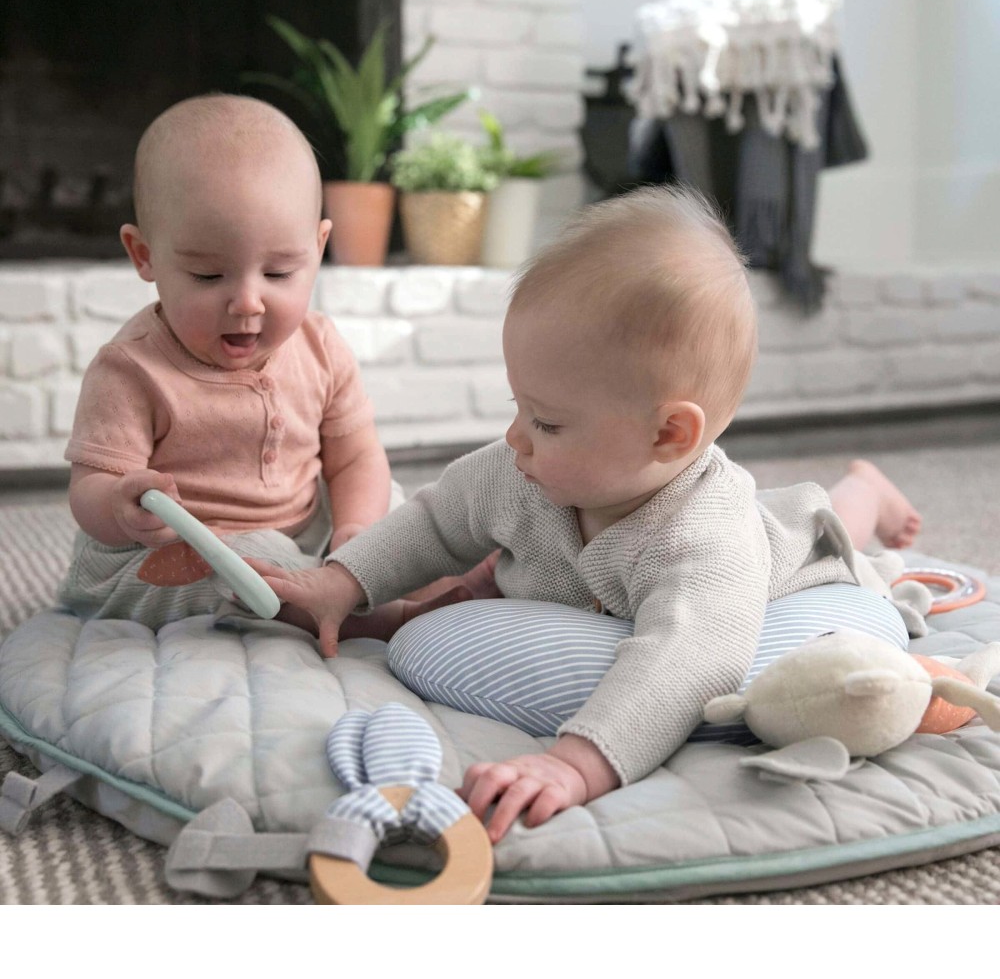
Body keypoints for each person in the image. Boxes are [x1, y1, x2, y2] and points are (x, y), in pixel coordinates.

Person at [253, 183, 926, 843]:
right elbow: (435, 519)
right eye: (519, 405)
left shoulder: (706, 537)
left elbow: (687, 662)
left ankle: (866, 489)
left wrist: (574, 763)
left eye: (544, 420)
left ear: (668, 436)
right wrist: (339, 584)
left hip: (791, 561)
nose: (515, 436)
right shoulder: (524, 468)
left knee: (835, 523)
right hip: (623, 575)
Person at [58, 93, 490, 633]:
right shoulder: (131, 371)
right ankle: (385, 619)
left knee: (404, 510)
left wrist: (357, 530)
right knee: (250, 565)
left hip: (308, 527)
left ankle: (430, 580)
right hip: (179, 553)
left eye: (280, 273)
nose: (247, 302)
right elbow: (90, 491)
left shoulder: (320, 346)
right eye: (208, 277)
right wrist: (119, 505)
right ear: (144, 255)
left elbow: (355, 457)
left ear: (318, 245)